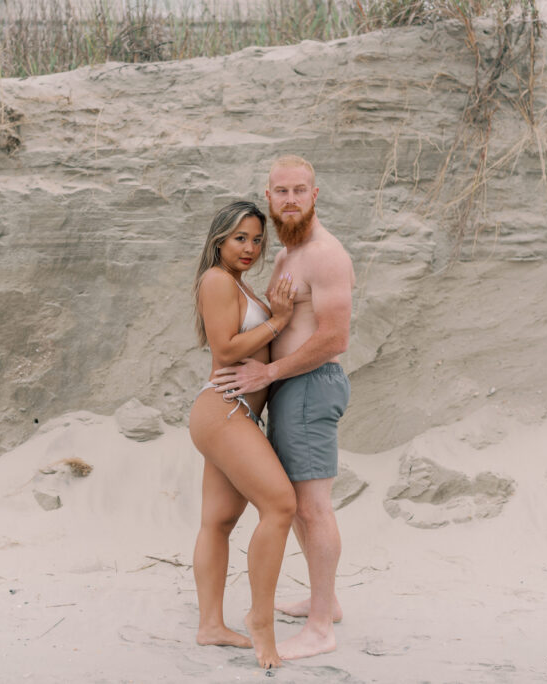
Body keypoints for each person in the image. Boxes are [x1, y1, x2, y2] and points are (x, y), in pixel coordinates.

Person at [212, 155, 354, 660]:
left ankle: (320, 628)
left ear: (315, 195)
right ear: (268, 197)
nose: (290, 199)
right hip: (291, 389)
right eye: (281, 191)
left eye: (299, 190)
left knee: (311, 508)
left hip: (311, 384)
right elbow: (285, 321)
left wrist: (268, 373)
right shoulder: (285, 257)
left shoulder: (325, 255)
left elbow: (334, 337)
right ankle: (327, 601)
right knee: (295, 502)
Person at [188, 200, 299, 669]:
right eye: (240, 238)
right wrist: (279, 320)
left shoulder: (238, 285)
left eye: (257, 239)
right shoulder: (216, 280)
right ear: (219, 240)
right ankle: (261, 621)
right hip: (225, 410)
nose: (250, 247)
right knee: (280, 505)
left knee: (218, 521)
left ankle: (211, 626)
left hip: (232, 415)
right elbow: (226, 347)